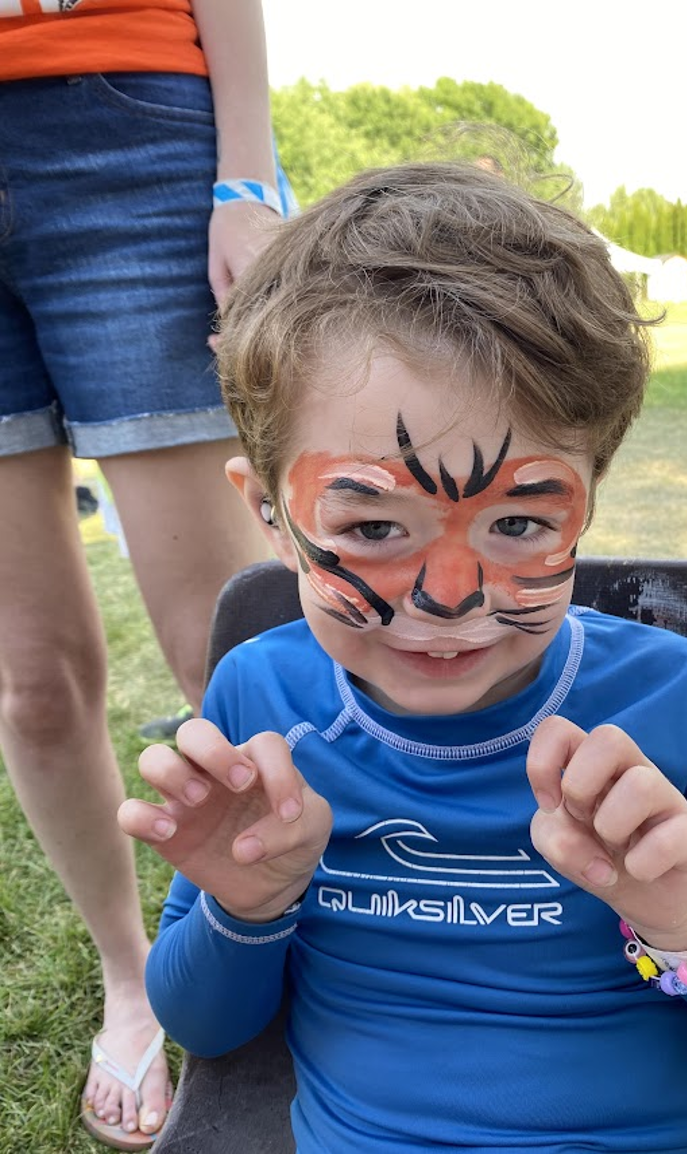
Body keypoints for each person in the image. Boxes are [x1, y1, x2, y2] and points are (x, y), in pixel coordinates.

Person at [118, 163, 687, 1154]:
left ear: (585, 501)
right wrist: (245, 902)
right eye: (373, 523)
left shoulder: (675, 699)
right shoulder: (261, 697)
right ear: (268, 513)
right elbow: (208, 1029)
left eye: (517, 519)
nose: (448, 593)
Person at [0, 1, 288, 1148]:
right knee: (29, 677)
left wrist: (243, 179)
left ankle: (319, 949)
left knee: (232, 650)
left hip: (126, 128)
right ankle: (135, 982)